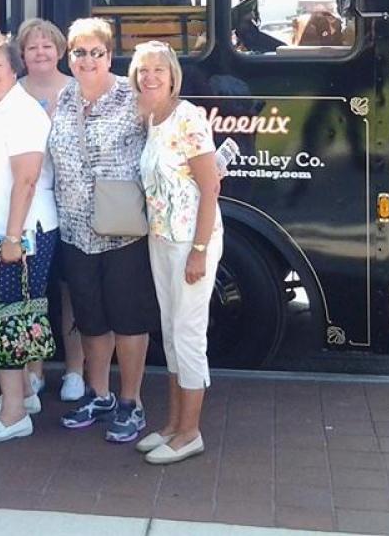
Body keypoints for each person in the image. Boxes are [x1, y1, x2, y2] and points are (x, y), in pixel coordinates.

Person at [48, 18, 158, 444]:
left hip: (122, 229)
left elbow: (164, 145)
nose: (87, 60)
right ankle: (101, 395)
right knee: (91, 320)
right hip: (75, 228)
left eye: (96, 52)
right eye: (79, 52)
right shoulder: (64, 99)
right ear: (69, 58)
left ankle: (131, 402)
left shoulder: (132, 98)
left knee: (129, 320)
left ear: (110, 56)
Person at [0, 33, 59, 445]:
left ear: (14, 69)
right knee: (7, 315)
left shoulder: (22, 112)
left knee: (6, 320)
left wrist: (13, 237)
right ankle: (19, 396)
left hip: (16, 235)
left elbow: (27, 178)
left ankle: (13, 413)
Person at [130, 41, 223, 465]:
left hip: (190, 242)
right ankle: (172, 425)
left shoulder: (188, 117)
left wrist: (199, 251)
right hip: (161, 240)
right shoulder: (152, 117)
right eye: (142, 70)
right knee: (169, 331)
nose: (150, 77)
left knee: (187, 335)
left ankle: (190, 433)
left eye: (158, 70)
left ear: (172, 77)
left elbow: (211, 187)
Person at [17, 18, 85, 403]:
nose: (40, 53)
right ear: (22, 55)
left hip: (73, 209)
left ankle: (75, 371)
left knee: (71, 290)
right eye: (32, 47)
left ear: (60, 51)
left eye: (47, 46)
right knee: (32, 293)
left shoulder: (78, 91)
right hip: (30, 210)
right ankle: (34, 370)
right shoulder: (13, 93)